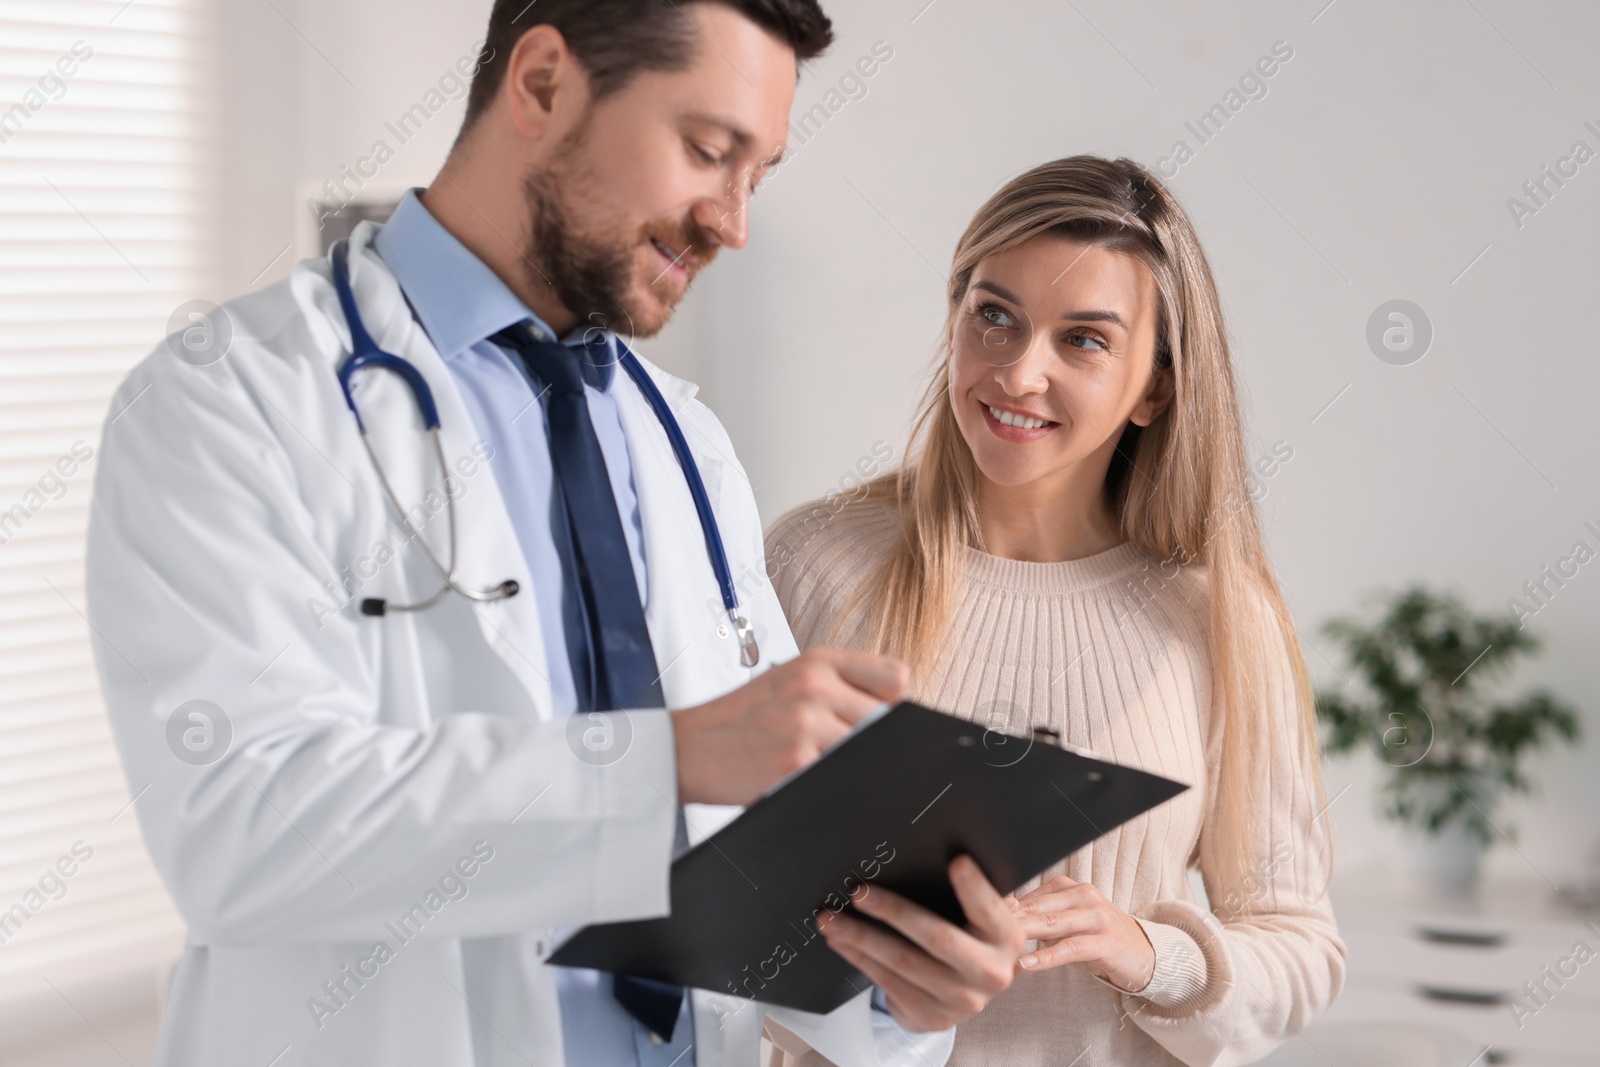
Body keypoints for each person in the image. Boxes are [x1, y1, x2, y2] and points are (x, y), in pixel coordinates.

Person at [83, 3, 1024, 1065]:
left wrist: (893, 977)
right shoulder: (229, 401)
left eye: (757, 174)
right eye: (709, 152)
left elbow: (731, 858)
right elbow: (238, 827)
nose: (732, 221)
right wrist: (667, 758)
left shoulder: (685, 441)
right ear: (540, 84)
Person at [764, 156, 1346, 1067]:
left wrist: (1150, 955)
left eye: (1083, 340)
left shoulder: (1221, 622)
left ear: (1155, 386)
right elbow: (705, 904)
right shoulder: (813, 562)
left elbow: (1300, 947)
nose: (1019, 373)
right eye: (993, 315)